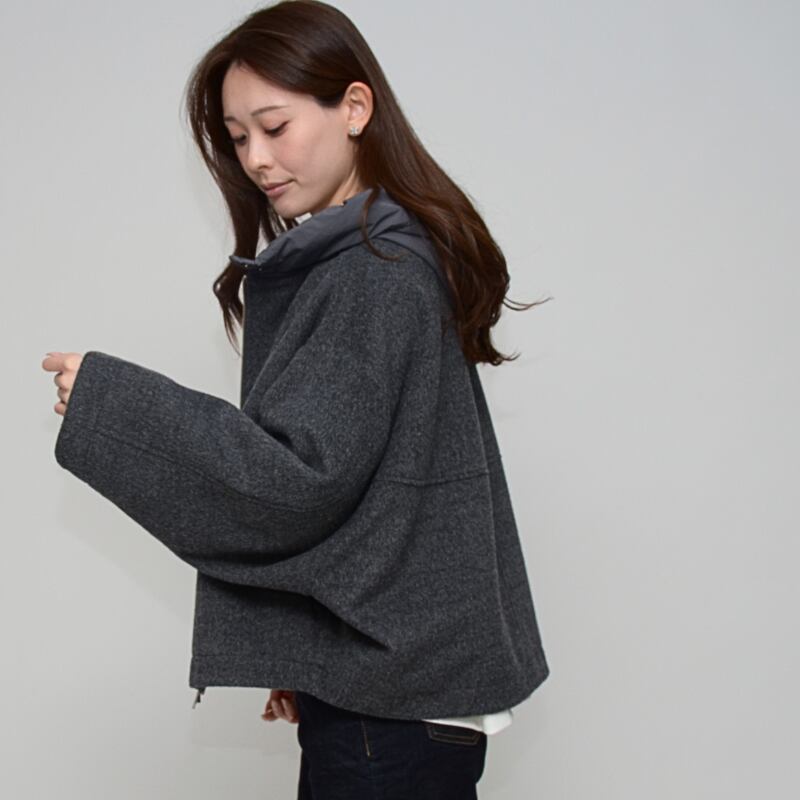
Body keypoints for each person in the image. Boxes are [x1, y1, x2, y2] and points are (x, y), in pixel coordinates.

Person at [42, 2, 551, 798]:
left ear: (355, 108)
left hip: (389, 723)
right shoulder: (382, 251)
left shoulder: (372, 272)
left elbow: (296, 480)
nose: (255, 158)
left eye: (274, 127)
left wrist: (109, 404)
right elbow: (385, 490)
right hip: (400, 702)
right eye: (238, 137)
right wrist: (310, 652)